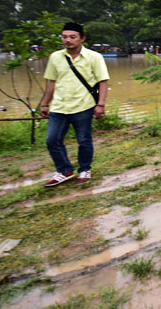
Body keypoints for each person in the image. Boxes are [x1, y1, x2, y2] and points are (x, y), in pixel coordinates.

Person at [39, 22, 110, 187]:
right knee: (52, 140)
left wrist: (101, 105)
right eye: (64, 37)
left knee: (84, 140)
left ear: (82, 39)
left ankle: (85, 169)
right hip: (59, 106)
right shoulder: (55, 57)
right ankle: (64, 170)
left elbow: (103, 82)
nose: (68, 40)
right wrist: (44, 104)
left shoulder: (94, 57)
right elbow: (51, 82)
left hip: (84, 105)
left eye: (72, 37)